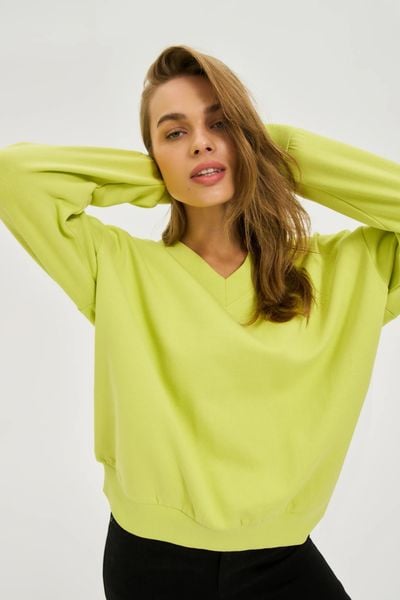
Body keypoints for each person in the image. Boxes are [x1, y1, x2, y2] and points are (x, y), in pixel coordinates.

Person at [1, 44, 399, 599]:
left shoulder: (343, 271)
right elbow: (16, 175)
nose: (201, 142)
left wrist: (280, 150)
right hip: (150, 561)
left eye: (221, 124)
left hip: (281, 556)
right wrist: (167, 177)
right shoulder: (116, 267)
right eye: (174, 132)